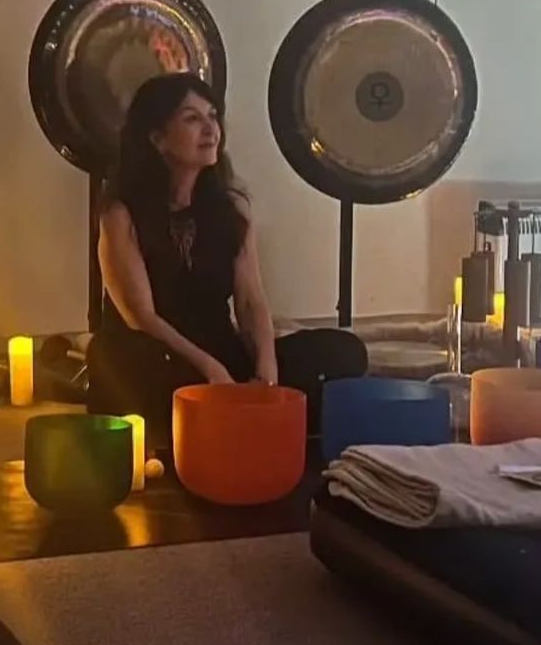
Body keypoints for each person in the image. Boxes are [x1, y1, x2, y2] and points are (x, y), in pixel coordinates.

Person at [86, 71, 366, 449]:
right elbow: (141, 316)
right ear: (156, 139)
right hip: (156, 356)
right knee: (120, 365)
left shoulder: (230, 210)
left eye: (213, 115)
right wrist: (210, 369)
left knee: (344, 352)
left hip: (221, 350)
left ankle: (241, 418)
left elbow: (251, 302)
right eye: (192, 118)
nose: (210, 128)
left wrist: (268, 373)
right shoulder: (120, 214)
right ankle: (232, 422)